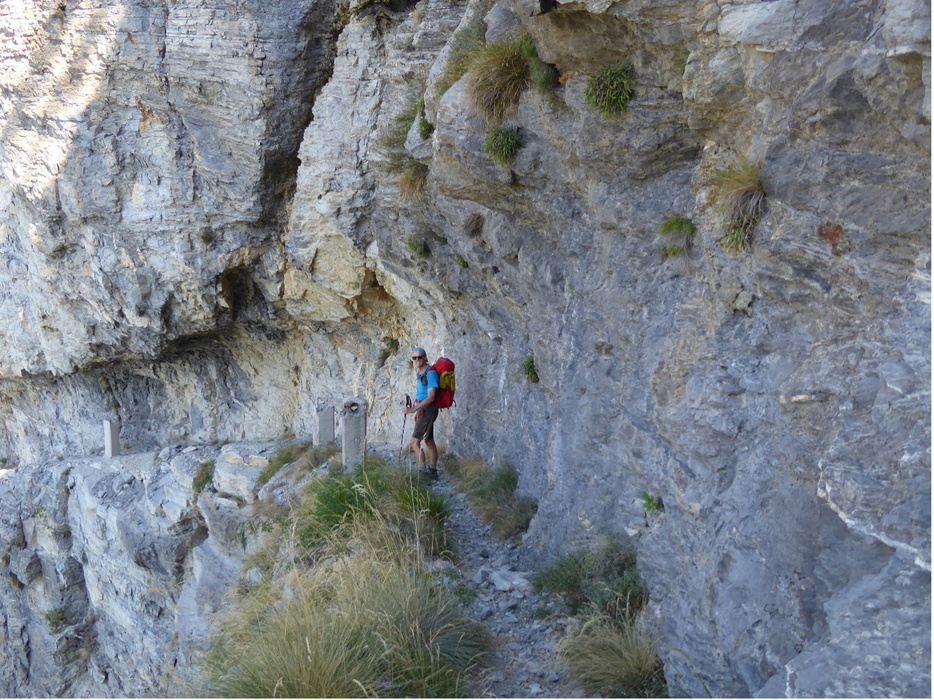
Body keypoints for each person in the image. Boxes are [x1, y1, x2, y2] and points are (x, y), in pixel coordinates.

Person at [404, 347, 439, 476]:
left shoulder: (430, 373)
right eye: (414, 358)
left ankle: (422, 473)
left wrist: (414, 409)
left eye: (419, 357)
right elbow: (421, 394)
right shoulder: (420, 373)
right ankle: (433, 470)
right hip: (423, 410)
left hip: (428, 410)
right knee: (429, 440)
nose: (417, 360)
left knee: (414, 442)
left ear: (425, 357)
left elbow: (431, 397)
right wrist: (416, 411)